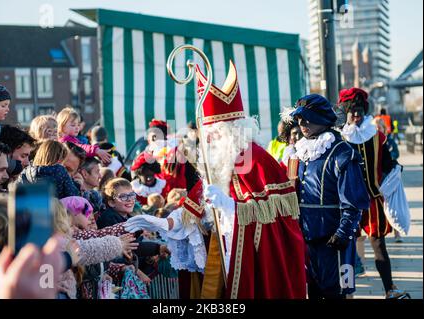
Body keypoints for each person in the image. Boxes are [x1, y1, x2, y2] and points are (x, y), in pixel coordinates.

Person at [125, 61, 306, 299]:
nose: (209, 139)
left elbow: (274, 217)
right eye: (208, 133)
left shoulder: (258, 159)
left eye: (215, 132)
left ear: (234, 129)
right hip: (218, 254)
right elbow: (194, 207)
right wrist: (162, 223)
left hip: (251, 259)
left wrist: (229, 206)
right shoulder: (216, 162)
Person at [289, 94, 370, 299]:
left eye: (307, 118)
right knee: (313, 292)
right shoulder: (300, 152)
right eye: (299, 119)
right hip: (306, 238)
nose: (302, 123)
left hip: (332, 240)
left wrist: (343, 233)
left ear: (322, 119)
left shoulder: (341, 151)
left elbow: (354, 200)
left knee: (334, 293)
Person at [338, 87, 410, 299]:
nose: (357, 115)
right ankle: (346, 293)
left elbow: (388, 163)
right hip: (347, 204)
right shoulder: (340, 138)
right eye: (352, 111)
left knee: (379, 246)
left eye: (359, 110)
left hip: (373, 202)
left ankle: (390, 289)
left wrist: (394, 172)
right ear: (346, 113)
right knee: (347, 251)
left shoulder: (377, 136)